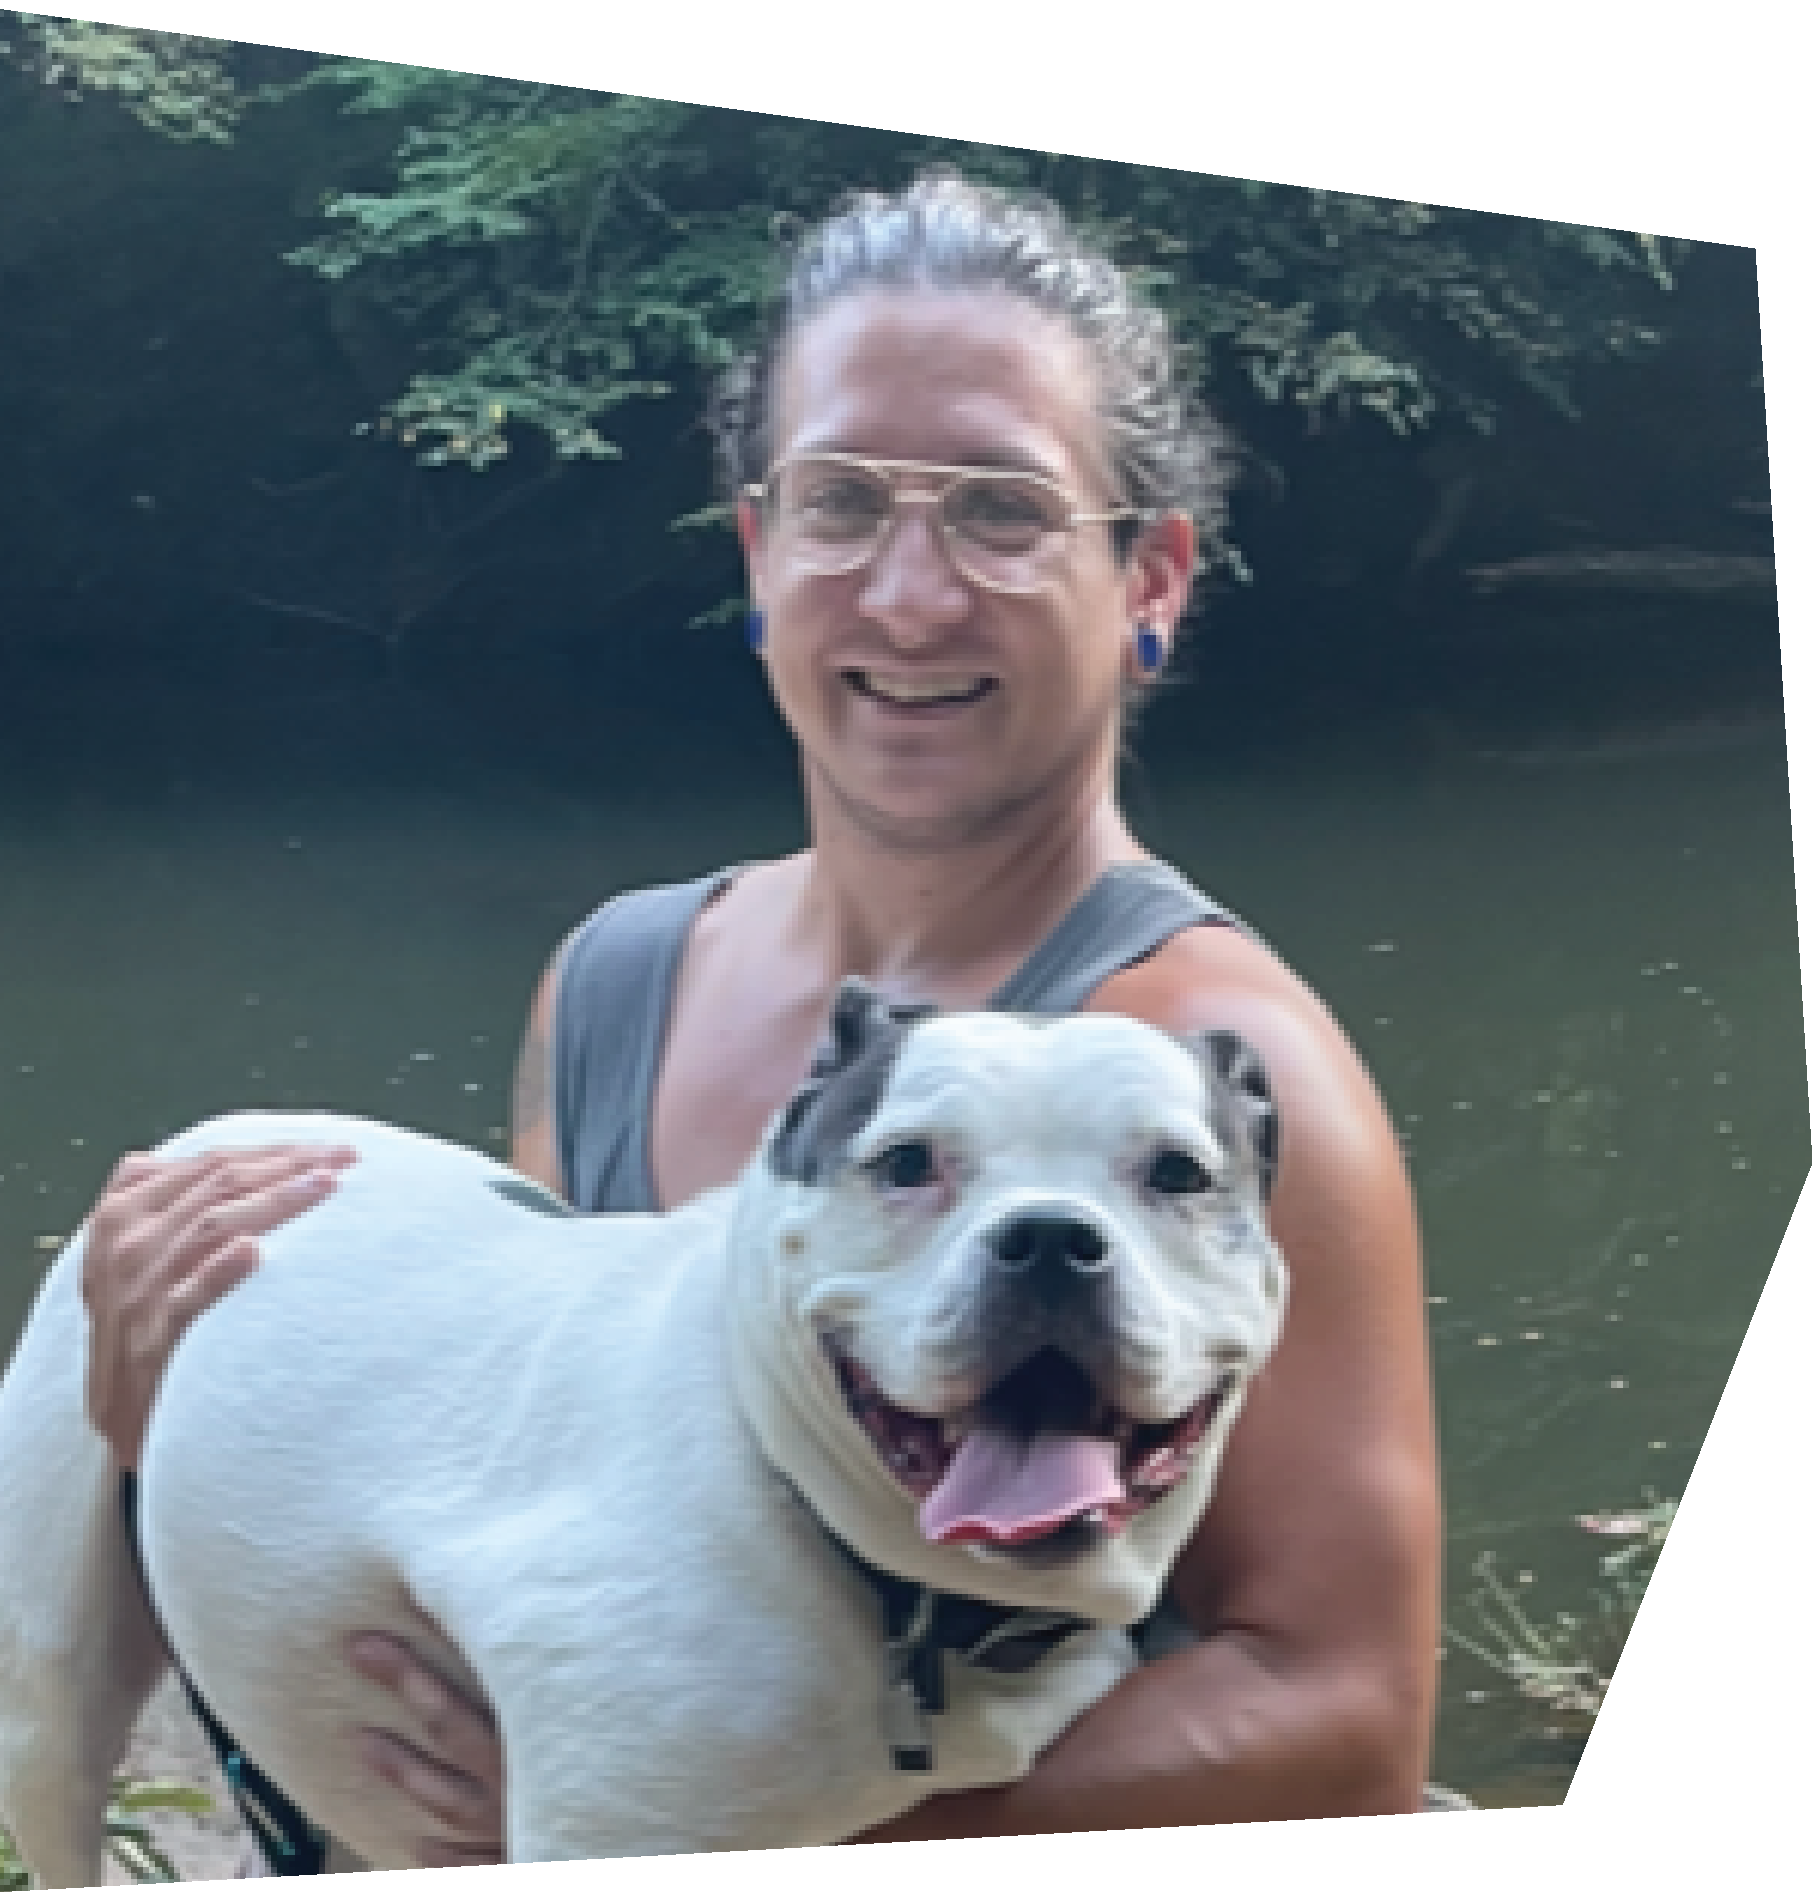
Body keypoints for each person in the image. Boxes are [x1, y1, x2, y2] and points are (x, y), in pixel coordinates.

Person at [79, 174, 1440, 1865]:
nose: (909, 594)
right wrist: (187, 1414)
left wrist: (708, 1830)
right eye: (842, 501)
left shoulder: (1213, 1073)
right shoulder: (619, 977)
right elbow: (537, 1474)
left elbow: (1346, 1720)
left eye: (1003, 511)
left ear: (1149, 577)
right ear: (757, 550)